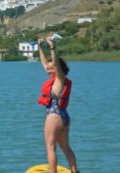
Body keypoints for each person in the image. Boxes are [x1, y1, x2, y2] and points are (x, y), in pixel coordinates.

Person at [38, 35, 78, 173]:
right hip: (64, 117)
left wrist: (52, 47)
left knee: (50, 147)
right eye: (48, 69)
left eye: (51, 68)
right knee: (66, 147)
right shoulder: (57, 79)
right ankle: (75, 170)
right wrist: (40, 47)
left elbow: (54, 63)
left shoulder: (59, 80)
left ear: (58, 69)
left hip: (54, 116)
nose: (48, 70)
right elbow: (45, 63)